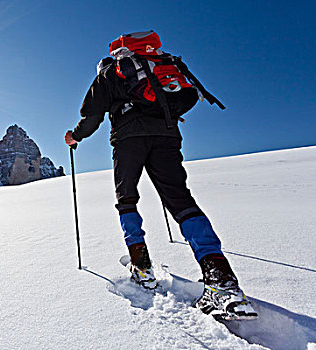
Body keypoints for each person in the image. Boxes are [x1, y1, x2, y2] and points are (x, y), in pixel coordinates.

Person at [64, 31, 257, 320]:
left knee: (127, 199)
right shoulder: (155, 64)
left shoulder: (108, 74)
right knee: (181, 201)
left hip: (128, 138)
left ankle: (141, 266)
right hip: (167, 135)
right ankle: (221, 280)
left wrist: (74, 137)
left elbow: (92, 118)